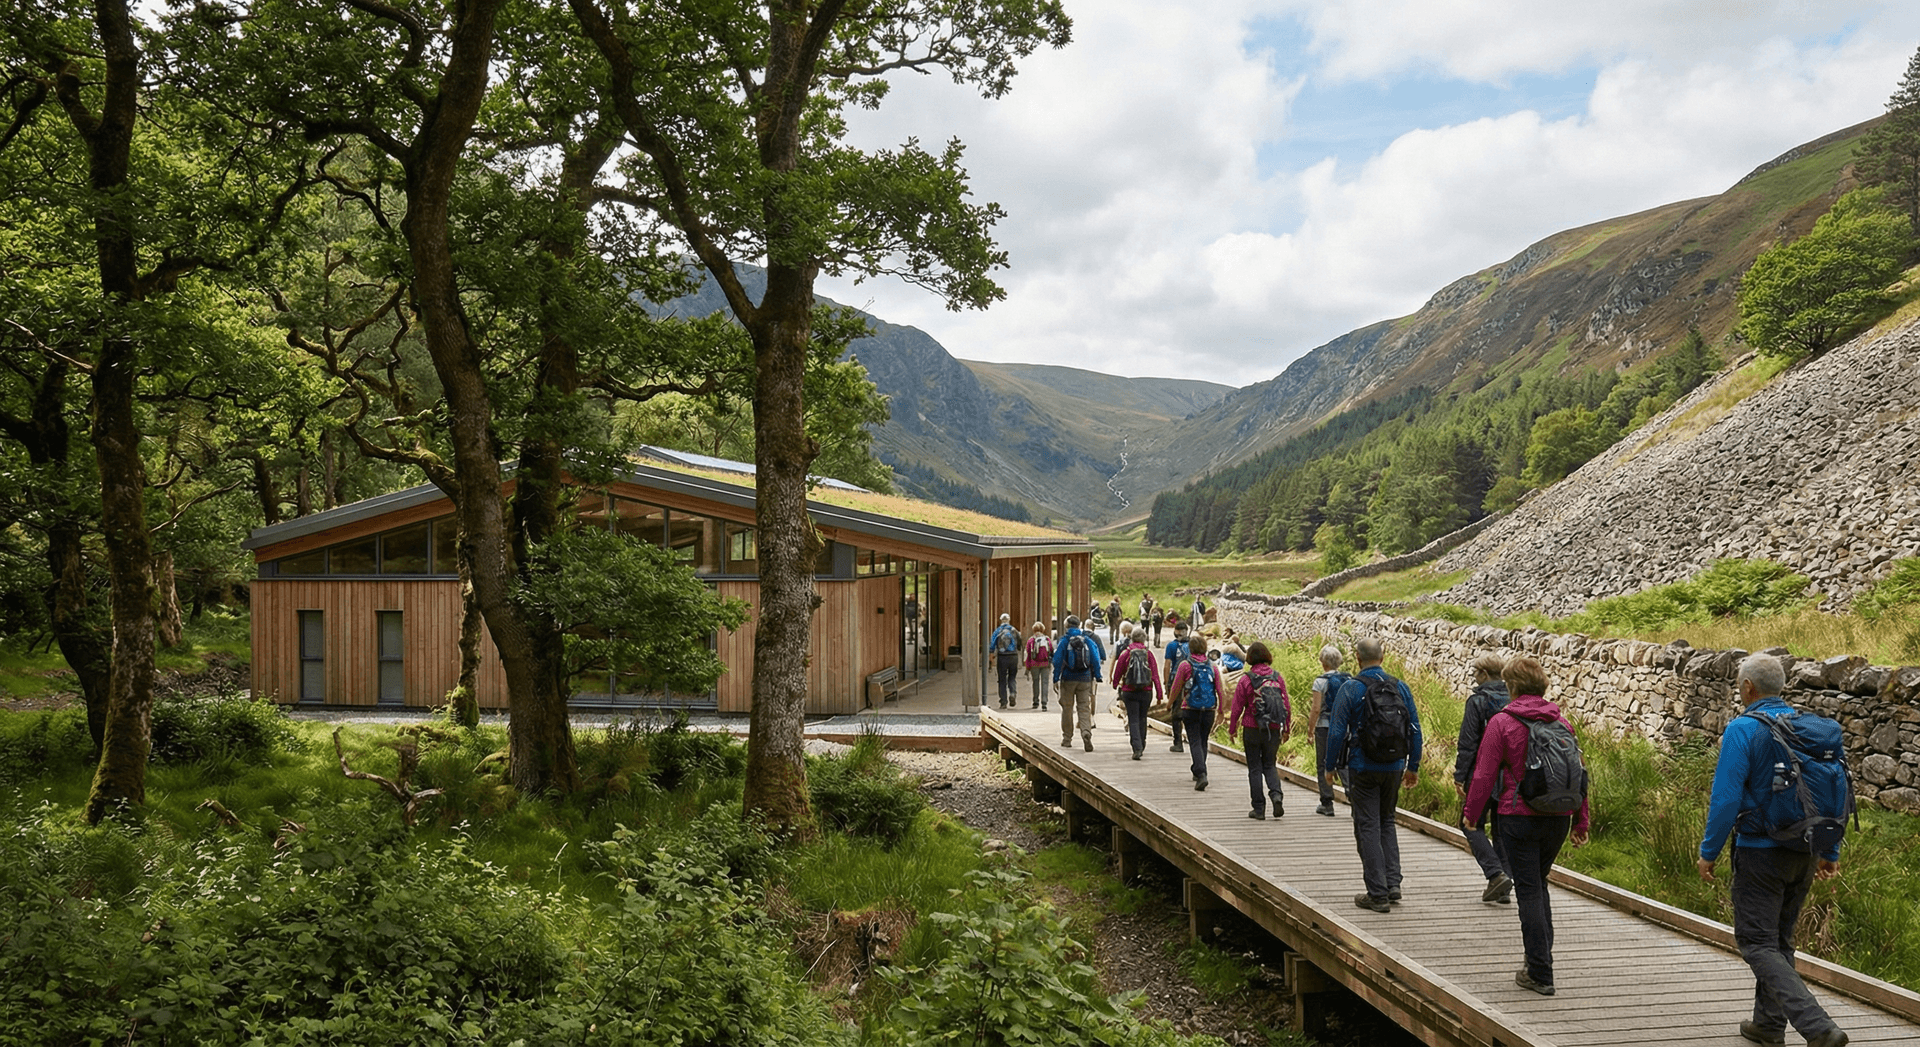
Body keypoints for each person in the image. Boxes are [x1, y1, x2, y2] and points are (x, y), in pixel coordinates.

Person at [1697, 654, 1850, 1047]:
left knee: (1756, 943)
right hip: (1806, 849)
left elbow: (1726, 798)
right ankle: (1767, 1025)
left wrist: (1709, 851)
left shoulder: (1743, 728)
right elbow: (1838, 794)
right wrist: (1830, 853)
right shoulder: (1812, 730)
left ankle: (1818, 1027)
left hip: (1759, 851)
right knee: (1780, 941)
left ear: (1748, 687)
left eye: (1738, 683)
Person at [1464, 655, 1589, 997]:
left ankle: (1540, 971)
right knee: (1539, 883)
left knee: (1529, 888)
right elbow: (1579, 774)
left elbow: (1484, 773)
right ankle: (1541, 959)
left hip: (1518, 815)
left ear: (1512, 686)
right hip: (1558, 818)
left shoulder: (1503, 722)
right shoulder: (1561, 721)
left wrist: (1472, 814)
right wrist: (1581, 820)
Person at [1325, 637, 1422, 913]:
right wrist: (1412, 765)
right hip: (1394, 766)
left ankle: (1376, 893)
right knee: (1387, 821)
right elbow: (1415, 728)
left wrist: (1329, 766)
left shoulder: (1351, 688)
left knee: (1367, 824)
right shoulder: (1399, 687)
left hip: (1362, 765)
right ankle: (1393, 884)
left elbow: (1336, 731)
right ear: (1383, 655)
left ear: (1357, 658)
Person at [1455, 652, 1515, 904]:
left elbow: (1468, 743)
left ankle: (1495, 873)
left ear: (1484, 674)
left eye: (1475, 673)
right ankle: (1505, 883)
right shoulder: (1514, 699)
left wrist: (1460, 775)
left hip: (1482, 774)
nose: (1474, 678)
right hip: (1510, 777)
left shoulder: (1477, 701)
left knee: (1470, 823)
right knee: (1501, 830)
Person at [1227, 642, 1289, 820]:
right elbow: (1286, 705)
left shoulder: (1247, 679)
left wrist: (1232, 729)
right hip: (1274, 729)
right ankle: (1276, 795)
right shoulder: (1277, 678)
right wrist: (1287, 728)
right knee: (1270, 764)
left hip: (1252, 728)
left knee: (1254, 768)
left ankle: (1259, 808)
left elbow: (1237, 707)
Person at [1168, 635, 1225, 791]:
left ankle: (1201, 773)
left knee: (1194, 740)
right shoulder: (1213, 666)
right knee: (1203, 740)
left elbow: (1176, 687)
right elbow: (1220, 689)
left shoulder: (1185, 665)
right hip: (1209, 709)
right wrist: (1220, 709)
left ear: (1190, 648)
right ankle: (1198, 768)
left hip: (1190, 709)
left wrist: (1170, 703)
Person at [1305, 645, 1350, 817]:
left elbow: (1316, 709)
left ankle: (1327, 803)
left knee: (1323, 763)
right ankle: (1353, 797)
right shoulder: (1348, 680)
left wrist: (1310, 730)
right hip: (1344, 727)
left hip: (1324, 727)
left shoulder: (1320, 682)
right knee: (1344, 762)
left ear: (1323, 663)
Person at [1051, 614, 1104, 751]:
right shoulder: (1087, 640)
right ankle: (1086, 732)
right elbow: (1095, 658)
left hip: (1068, 679)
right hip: (1085, 679)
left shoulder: (1064, 641)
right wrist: (1097, 676)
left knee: (1067, 708)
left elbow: (1057, 661)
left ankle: (1067, 738)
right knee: (1084, 707)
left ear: (1066, 626)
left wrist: (1055, 678)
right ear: (1079, 625)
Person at [1109, 626, 1162, 760]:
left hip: (1129, 691)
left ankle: (1136, 747)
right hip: (1146, 691)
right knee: (1142, 718)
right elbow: (1155, 675)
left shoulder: (1126, 653)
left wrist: (1115, 684)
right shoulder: (1148, 654)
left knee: (1133, 718)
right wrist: (1159, 693)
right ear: (1144, 639)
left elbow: (1118, 671)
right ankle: (1142, 744)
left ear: (1131, 638)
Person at [1162, 625, 1191, 752]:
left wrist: (1167, 683)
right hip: (1193, 680)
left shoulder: (1171, 646)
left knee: (1176, 712)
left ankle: (1178, 742)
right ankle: (1194, 740)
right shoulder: (1194, 644)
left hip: (1176, 680)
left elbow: (1167, 665)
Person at [988, 613, 1023, 710]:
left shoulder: (997, 631)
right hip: (1013, 656)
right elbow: (1020, 642)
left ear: (1000, 620)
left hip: (1002, 657)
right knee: (1012, 677)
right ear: (1009, 620)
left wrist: (991, 656)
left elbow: (992, 645)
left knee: (1002, 680)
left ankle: (1003, 702)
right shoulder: (1014, 630)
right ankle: (1012, 693)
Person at [1023, 621, 1053, 711]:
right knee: (1045, 683)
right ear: (1043, 629)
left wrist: (1027, 667)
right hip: (1045, 664)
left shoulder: (1031, 640)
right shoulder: (1047, 639)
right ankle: (1044, 703)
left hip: (1034, 664)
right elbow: (1051, 650)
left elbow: (1027, 654)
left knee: (1035, 682)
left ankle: (1035, 701)